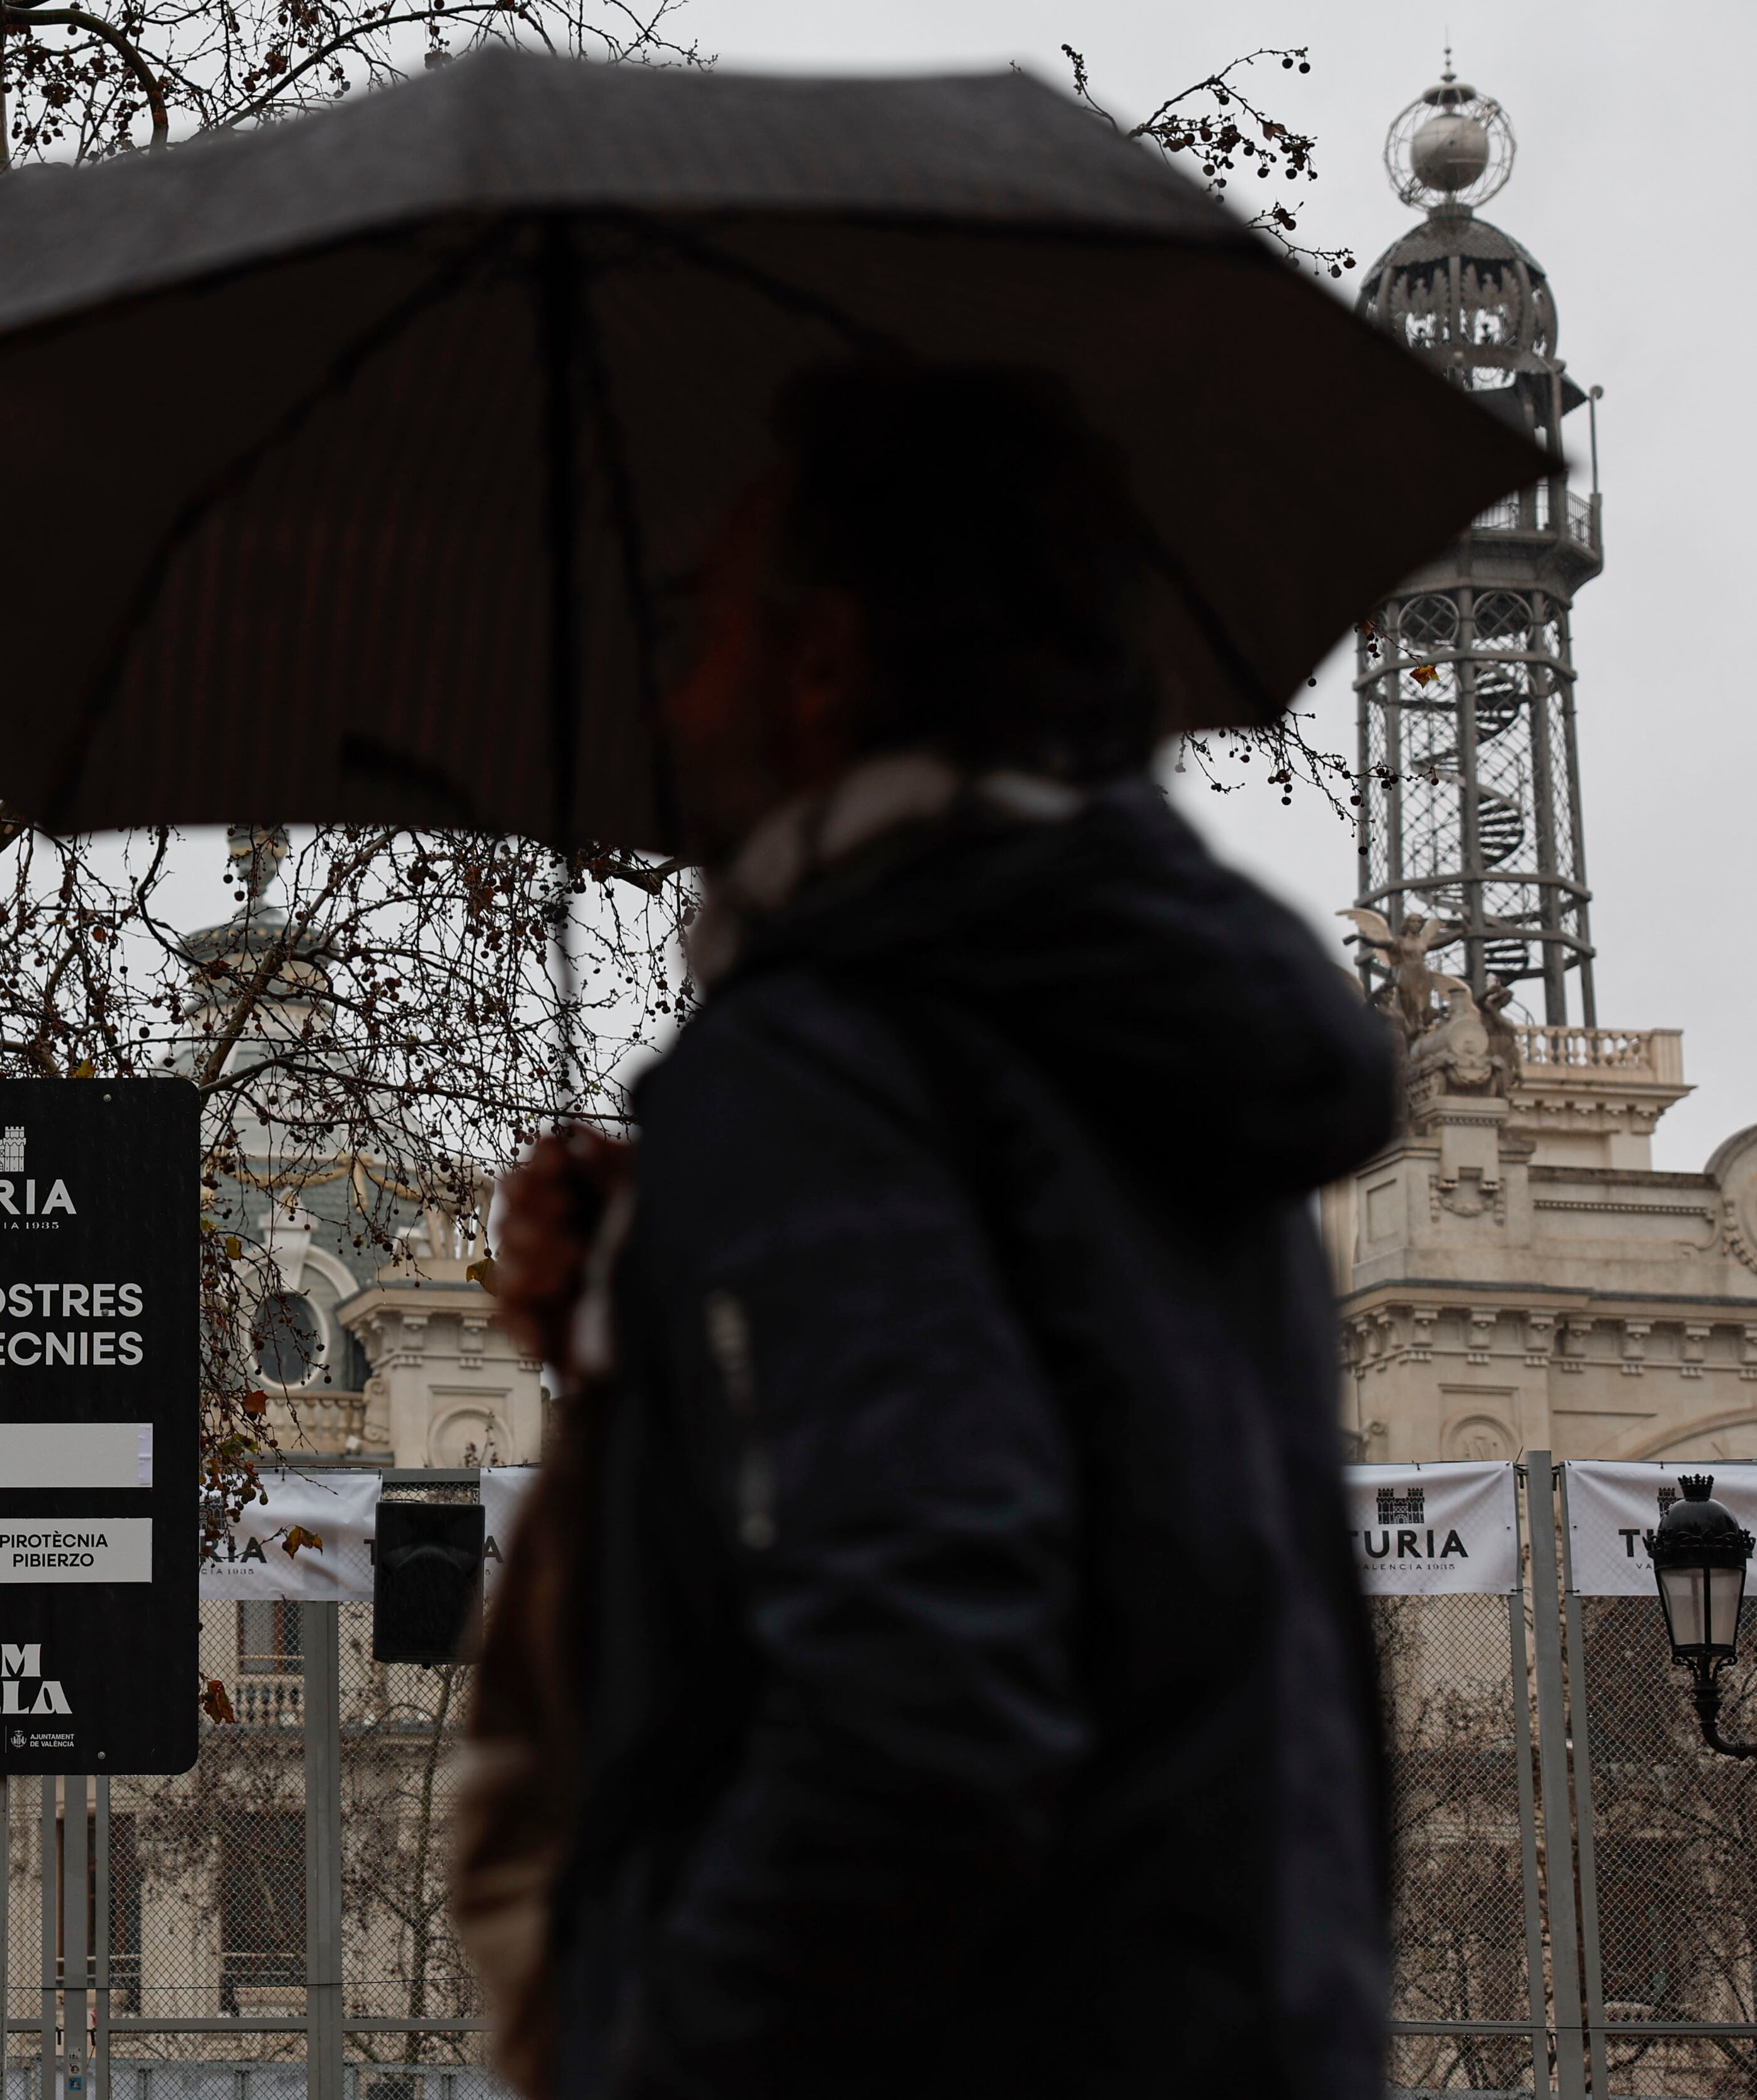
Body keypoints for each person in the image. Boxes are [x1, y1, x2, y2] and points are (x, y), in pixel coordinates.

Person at [452, 365, 1396, 2099]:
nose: (668, 678)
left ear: (825, 665)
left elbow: (924, 1698)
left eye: (703, 620)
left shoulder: (821, 1060)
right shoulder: (1157, 1033)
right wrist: (643, 1323)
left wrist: (671, 2057)